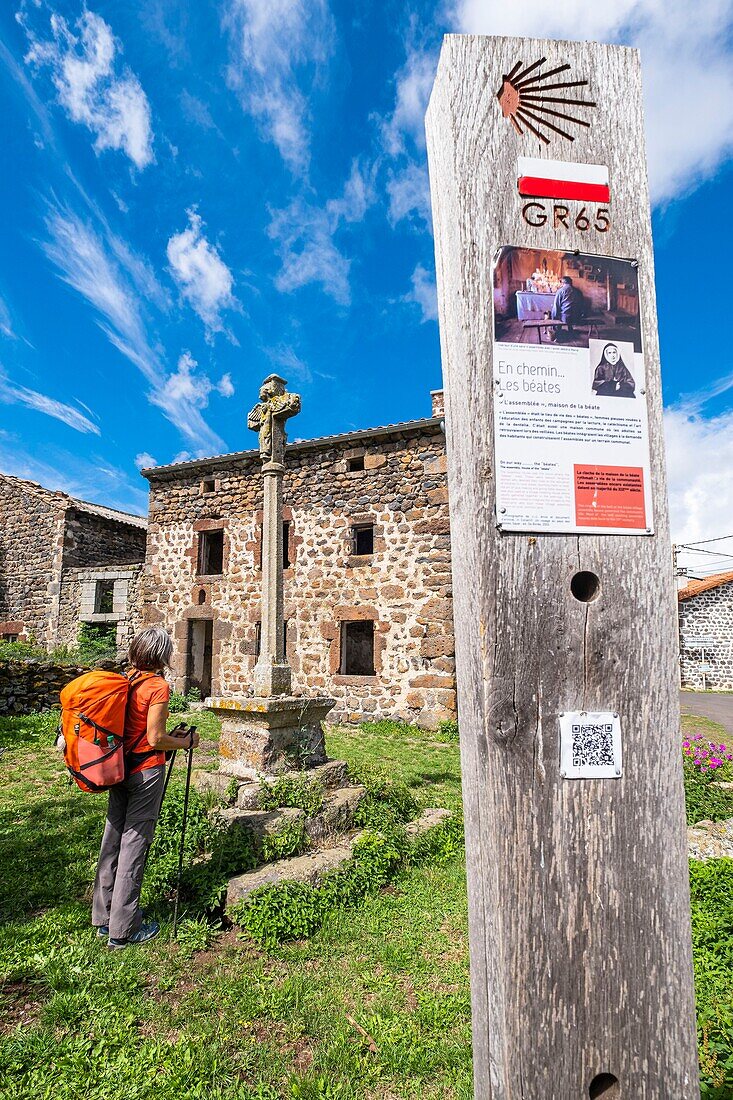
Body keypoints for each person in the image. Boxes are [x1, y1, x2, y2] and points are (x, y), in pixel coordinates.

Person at [92, 626, 200, 948]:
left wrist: (171, 738)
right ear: (161, 655)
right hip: (145, 773)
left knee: (112, 839)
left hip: (119, 768)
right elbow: (154, 739)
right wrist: (186, 742)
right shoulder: (157, 686)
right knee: (134, 844)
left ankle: (103, 917)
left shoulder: (126, 680)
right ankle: (124, 931)